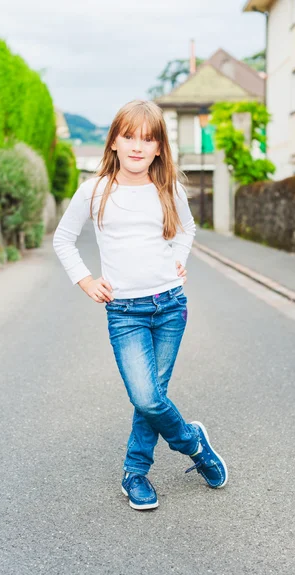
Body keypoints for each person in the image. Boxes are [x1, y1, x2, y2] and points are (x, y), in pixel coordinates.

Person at [53, 99, 228, 511]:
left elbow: (187, 228)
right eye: (128, 136)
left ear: (159, 148)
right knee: (147, 397)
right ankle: (194, 444)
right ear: (113, 141)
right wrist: (86, 281)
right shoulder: (95, 191)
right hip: (125, 313)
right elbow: (63, 238)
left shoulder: (168, 188)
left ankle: (135, 472)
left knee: (151, 396)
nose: (137, 146)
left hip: (170, 306)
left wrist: (180, 256)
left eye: (147, 140)